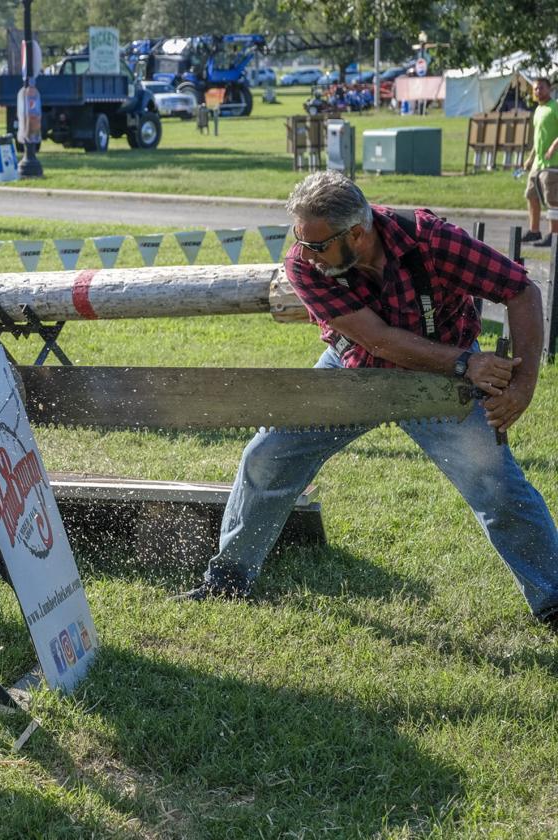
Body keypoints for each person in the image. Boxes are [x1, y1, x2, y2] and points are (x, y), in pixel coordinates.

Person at [177, 171, 558, 631]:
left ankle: (553, 600)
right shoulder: (303, 263)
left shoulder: (432, 240)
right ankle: (228, 580)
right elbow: (377, 339)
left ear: (357, 233)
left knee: (497, 487)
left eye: (317, 245)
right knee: (268, 456)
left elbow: (521, 290)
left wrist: (523, 385)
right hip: (356, 371)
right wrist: (466, 363)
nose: (305, 255)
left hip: (443, 381)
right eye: (300, 241)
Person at [524, 77, 558, 247]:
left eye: (541, 88)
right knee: (531, 195)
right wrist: (530, 158)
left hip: (552, 163)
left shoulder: (555, 107)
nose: (538, 91)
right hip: (538, 164)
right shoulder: (538, 110)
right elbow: (538, 139)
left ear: (549, 89)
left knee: (552, 200)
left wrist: (553, 147)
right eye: (535, 88)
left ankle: (554, 234)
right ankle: (534, 231)